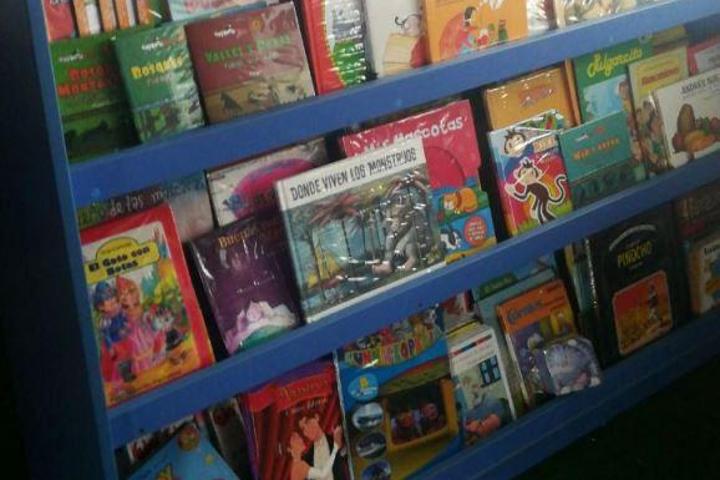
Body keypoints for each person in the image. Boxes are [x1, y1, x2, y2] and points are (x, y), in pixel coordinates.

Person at [298, 412, 347, 480]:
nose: (307, 429)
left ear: (316, 417)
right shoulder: (306, 459)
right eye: (303, 428)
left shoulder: (337, 439)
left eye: (307, 422)